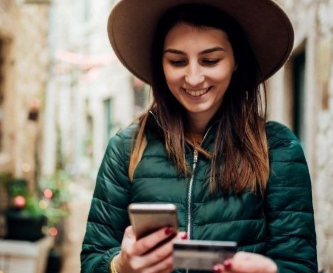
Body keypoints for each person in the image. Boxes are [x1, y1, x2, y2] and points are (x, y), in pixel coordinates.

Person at [81, 1, 317, 273]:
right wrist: (119, 265)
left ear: (235, 60)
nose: (193, 78)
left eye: (210, 60)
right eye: (177, 61)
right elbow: (91, 260)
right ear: (161, 63)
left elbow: (298, 264)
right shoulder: (126, 149)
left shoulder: (278, 148)